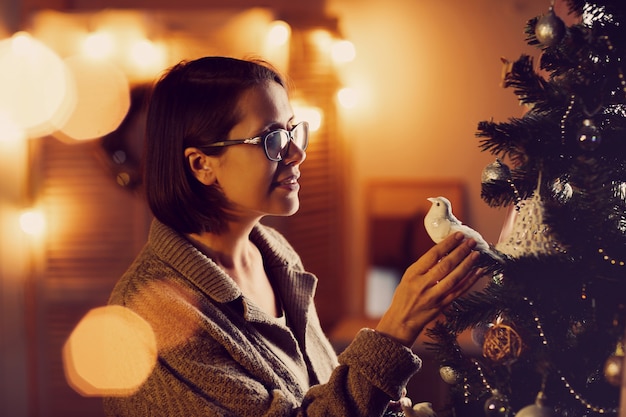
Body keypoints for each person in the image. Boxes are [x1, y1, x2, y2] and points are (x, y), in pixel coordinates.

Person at [103, 56, 482, 417]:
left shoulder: (274, 254)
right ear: (202, 165)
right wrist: (396, 328)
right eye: (271, 139)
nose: (297, 153)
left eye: (291, 131)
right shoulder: (151, 321)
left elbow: (321, 398)